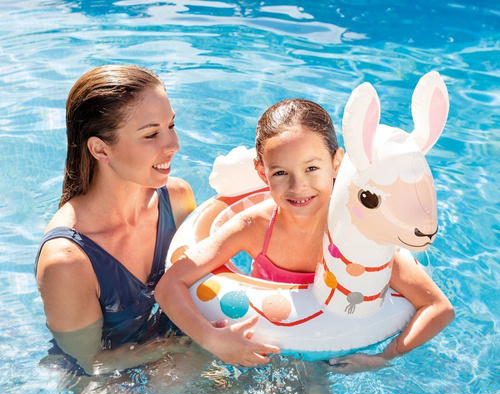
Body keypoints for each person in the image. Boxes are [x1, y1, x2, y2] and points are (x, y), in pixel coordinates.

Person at [154, 98, 455, 371]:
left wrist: (383, 358)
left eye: (311, 168)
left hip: (325, 353)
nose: (298, 187)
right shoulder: (254, 227)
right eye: (280, 173)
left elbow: (438, 307)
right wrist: (213, 341)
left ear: (336, 163)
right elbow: (169, 285)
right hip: (256, 347)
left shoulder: (356, 234)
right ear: (261, 172)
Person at [35, 65, 196, 376]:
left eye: (171, 125)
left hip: (173, 354)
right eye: (151, 134)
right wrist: (174, 347)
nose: (173, 144)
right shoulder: (67, 260)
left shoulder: (176, 199)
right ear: (101, 149)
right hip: (105, 379)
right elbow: (90, 361)